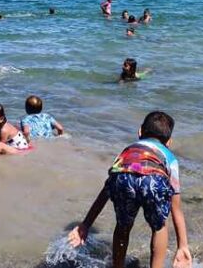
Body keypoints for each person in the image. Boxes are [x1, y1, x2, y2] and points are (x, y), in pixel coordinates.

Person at [67, 111, 191, 268]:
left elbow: (107, 189)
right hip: (154, 179)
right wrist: (182, 246)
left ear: (140, 132)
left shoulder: (128, 151)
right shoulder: (170, 157)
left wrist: (86, 224)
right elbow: (175, 207)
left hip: (122, 177)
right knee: (159, 226)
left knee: (123, 226)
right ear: (169, 142)